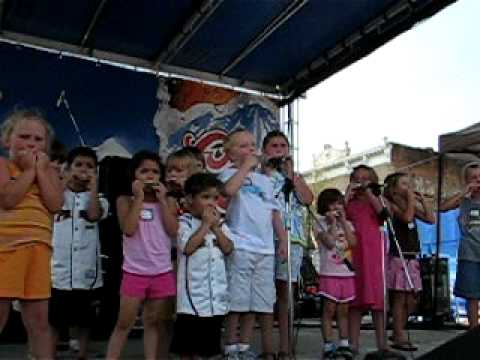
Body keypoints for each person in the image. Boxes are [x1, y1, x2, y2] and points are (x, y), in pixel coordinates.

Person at [0, 108, 64, 359]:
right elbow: (8, 199)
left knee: (39, 322)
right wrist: (28, 171)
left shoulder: (48, 172)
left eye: (38, 139)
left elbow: (55, 204)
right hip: (6, 250)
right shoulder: (3, 165)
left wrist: (40, 171)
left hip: (38, 251)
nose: (31, 143)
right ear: (7, 140)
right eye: (24, 137)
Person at [219, 129, 287, 360]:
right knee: (237, 300)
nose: (250, 150)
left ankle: (244, 346)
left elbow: (274, 213)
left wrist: (283, 240)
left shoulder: (265, 181)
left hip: (265, 248)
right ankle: (230, 346)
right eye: (243, 146)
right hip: (240, 245)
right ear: (230, 153)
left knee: (256, 302)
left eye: (252, 145)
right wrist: (246, 168)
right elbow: (227, 192)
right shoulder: (226, 173)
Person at [106, 151, 177, 359]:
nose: (150, 175)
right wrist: (138, 197)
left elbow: (173, 230)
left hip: (161, 271)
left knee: (152, 322)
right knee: (124, 322)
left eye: (155, 171)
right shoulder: (124, 200)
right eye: (144, 171)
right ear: (134, 175)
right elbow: (128, 228)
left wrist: (163, 200)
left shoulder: (168, 201)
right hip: (135, 271)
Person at [49, 146, 109, 359]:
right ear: (68, 167)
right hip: (59, 272)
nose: (84, 170)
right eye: (79, 165)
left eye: (89, 166)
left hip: (87, 274)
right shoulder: (57, 194)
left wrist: (93, 187)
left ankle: (82, 355)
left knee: (85, 321)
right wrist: (63, 179)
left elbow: (94, 215)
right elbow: (53, 206)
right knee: (54, 320)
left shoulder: (100, 198)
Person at [261, 130, 313, 359]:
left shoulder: (295, 176)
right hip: (263, 237)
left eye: (283, 145)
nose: (280, 149)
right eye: (274, 146)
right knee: (263, 294)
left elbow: (309, 199)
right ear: (265, 150)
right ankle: (267, 347)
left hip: (292, 240)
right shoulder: (258, 175)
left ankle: (285, 346)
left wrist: (291, 175)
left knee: (285, 295)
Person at [170, 173, 234, 359]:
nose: (211, 203)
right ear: (190, 199)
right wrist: (205, 225)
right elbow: (188, 247)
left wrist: (215, 228)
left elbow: (229, 248)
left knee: (210, 349)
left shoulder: (220, 223)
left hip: (215, 299)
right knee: (188, 350)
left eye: (215, 198)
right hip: (191, 302)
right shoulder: (185, 223)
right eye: (205, 197)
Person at [383, 172, 435, 351]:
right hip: (399, 255)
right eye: (405, 184)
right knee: (400, 298)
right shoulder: (392, 205)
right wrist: (412, 201)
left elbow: (430, 219)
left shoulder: (409, 204)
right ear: (394, 189)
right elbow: (407, 218)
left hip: (412, 256)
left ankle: (399, 329)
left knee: (412, 298)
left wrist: (422, 201)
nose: (409, 188)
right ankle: (399, 334)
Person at [345, 165, 388, 354]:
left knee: (378, 301)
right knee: (356, 300)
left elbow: (383, 215)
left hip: (374, 254)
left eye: (365, 178)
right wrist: (347, 193)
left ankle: (382, 344)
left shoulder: (377, 200)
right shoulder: (351, 203)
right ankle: (353, 343)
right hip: (356, 253)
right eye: (357, 178)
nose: (361, 181)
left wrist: (371, 192)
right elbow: (340, 214)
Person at [315, 188, 356, 359]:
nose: (337, 207)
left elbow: (353, 242)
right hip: (329, 273)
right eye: (333, 204)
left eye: (339, 203)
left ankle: (344, 344)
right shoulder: (320, 223)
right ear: (325, 206)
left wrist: (344, 222)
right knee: (329, 310)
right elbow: (330, 243)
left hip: (347, 274)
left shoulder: (348, 223)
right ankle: (328, 345)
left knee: (344, 311)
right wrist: (332, 224)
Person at [440, 162, 480, 329]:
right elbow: (442, 207)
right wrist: (464, 192)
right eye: (474, 178)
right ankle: (473, 329)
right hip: (469, 253)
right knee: (472, 294)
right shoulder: (464, 200)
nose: (478, 181)